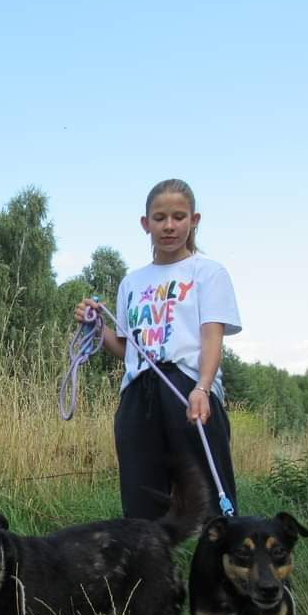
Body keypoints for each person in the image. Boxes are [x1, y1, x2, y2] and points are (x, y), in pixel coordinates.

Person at [75, 179, 241, 520]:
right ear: (145, 223)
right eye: (160, 217)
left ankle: (223, 570)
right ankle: (146, 572)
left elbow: (212, 336)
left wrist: (203, 388)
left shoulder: (208, 272)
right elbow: (129, 350)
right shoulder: (131, 282)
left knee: (208, 495)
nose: (169, 226)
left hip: (188, 389)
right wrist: (97, 328)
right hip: (139, 393)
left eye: (178, 217)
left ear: (194, 220)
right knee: (142, 501)